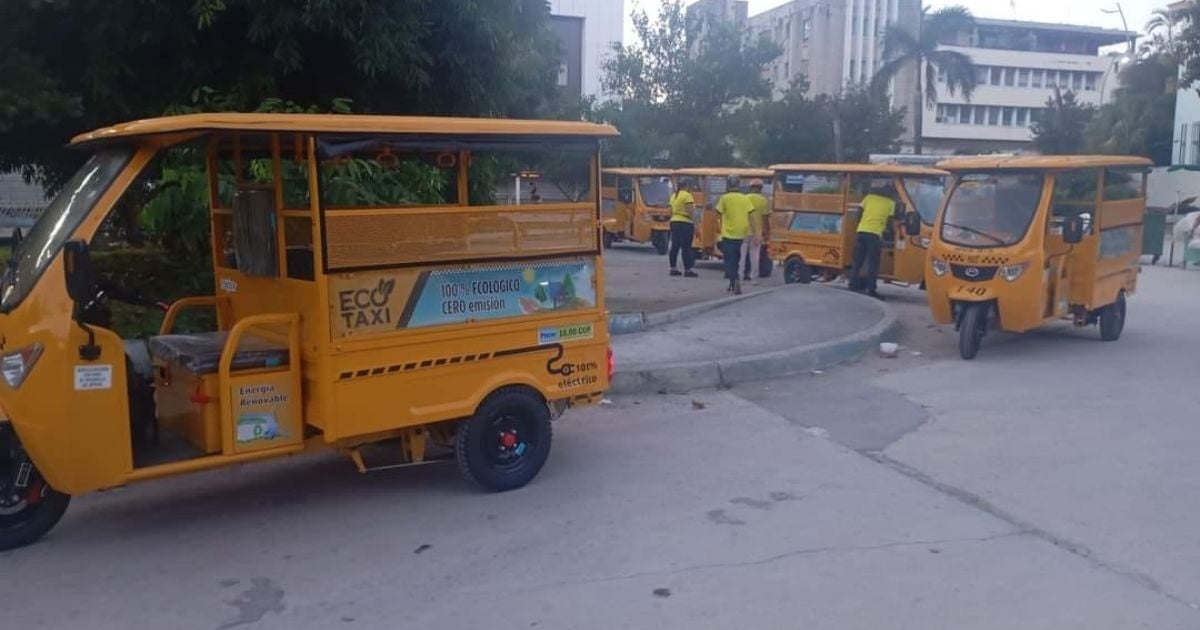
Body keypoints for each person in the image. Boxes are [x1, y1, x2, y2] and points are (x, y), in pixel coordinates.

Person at [849, 182, 896, 299]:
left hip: (861, 232)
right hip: (874, 235)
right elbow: (890, 223)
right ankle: (871, 290)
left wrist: (862, 224)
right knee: (873, 264)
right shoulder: (891, 203)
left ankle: (853, 286)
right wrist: (891, 233)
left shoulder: (869, 198)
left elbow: (859, 212)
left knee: (858, 261)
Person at [715, 176, 756, 294]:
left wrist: (717, 230)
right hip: (741, 234)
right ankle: (732, 283)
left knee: (729, 260)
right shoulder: (745, 199)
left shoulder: (724, 198)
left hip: (727, 234)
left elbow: (718, 215)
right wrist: (753, 232)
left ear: (728, 185)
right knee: (736, 259)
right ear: (738, 185)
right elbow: (752, 216)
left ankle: (736, 278)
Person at [668, 177, 699, 277]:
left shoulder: (673, 196)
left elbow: (670, 211)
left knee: (675, 246)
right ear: (687, 186)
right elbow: (690, 211)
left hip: (674, 221)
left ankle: (673, 268)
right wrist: (696, 224)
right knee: (686, 247)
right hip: (685, 222)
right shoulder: (687, 196)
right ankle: (688, 270)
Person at [743, 179, 770, 284]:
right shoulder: (764, 200)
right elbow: (765, 219)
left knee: (742, 255)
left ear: (751, 188)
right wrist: (767, 233)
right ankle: (754, 278)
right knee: (755, 256)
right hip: (757, 233)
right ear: (761, 188)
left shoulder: (745, 199)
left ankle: (740, 276)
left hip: (744, 231)